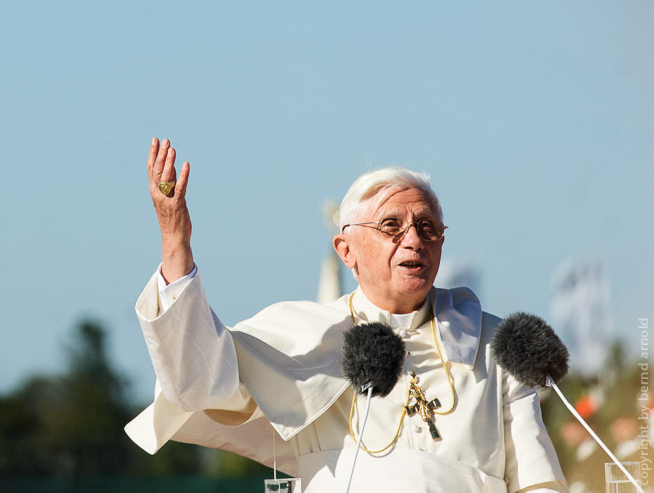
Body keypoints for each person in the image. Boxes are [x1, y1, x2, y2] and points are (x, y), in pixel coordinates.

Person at [126, 138, 568, 493]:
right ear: (346, 251)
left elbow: (537, 478)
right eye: (392, 227)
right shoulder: (301, 336)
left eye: (428, 227)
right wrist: (175, 242)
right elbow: (197, 381)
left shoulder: (495, 344)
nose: (414, 240)